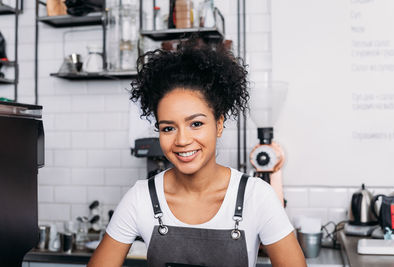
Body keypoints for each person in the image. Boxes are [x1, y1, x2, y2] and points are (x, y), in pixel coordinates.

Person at [88, 39, 306, 267]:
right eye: (168, 128)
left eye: (196, 124)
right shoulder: (140, 198)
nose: (182, 140)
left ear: (219, 124)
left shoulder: (257, 197)